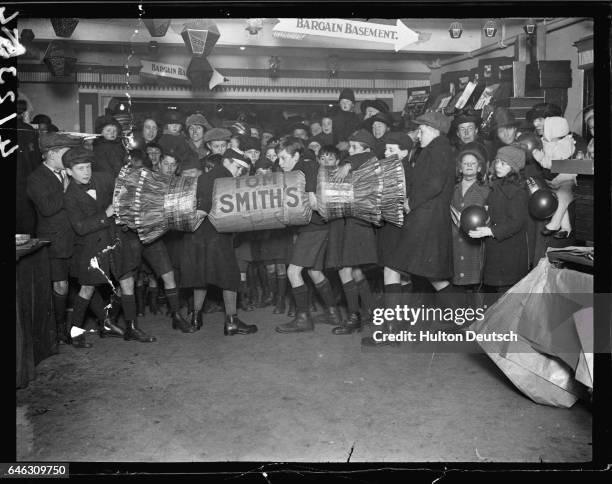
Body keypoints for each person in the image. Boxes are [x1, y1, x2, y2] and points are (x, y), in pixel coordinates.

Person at [362, 111, 456, 347]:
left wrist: (410, 202)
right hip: (426, 220)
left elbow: (433, 184)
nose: (418, 135)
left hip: (426, 221)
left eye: (421, 130)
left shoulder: (438, 149)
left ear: (433, 130)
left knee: (406, 268)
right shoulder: (437, 149)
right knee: (427, 274)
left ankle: (394, 330)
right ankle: (466, 320)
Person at [62, 146, 155, 347]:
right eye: (80, 168)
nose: (86, 172)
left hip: (115, 241)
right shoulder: (70, 196)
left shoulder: (103, 178)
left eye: (87, 167)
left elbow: (124, 188)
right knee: (87, 289)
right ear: (69, 171)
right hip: (92, 248)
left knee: (127, 281)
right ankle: (75, 334)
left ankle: (131, 328)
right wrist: (106, 214)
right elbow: (80, 227)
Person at [187, 150, 258, 335]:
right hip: (217, 235)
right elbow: (203, 208)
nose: (238, 172)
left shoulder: (204, 177)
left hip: (198, 236)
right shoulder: (223, 178)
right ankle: (232, 322)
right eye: (237, 166)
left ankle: (195, 318)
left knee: (201, 277)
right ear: (225, 161)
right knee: (231, 277)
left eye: (242, 169)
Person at [275, 137, 342, 333]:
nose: (280, 163)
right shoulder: (299, 168)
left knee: (293, 272)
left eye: (283, 158)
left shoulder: (306, 164)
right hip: (318, 227)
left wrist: (312, 194)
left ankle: (303, 318)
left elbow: (313, 173)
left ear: (296, 155)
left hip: (313, 229)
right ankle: (333, 312)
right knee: (314, 271)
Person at [27, 133, 83, 344]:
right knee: (61, 286)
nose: (70, 157)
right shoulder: (36, 178)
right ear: (50, 154)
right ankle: (59, 329)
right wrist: (68, 186)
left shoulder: (66, 173)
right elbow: (48, 208)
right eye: (65, 153)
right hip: (55, 239)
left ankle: (95, 323)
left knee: (87, 279)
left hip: (76, 236)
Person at [329, 131, 379, 335]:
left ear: (366, 150)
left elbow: (370, 157)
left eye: (355, 147)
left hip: (357, 225)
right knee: (355, 270)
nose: (350, 151)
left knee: (344, 269)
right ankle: (372, 312)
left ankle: (353, 317)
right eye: (349, 147)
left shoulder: (370, 162)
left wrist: (349, 163)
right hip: (351, 224)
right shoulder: (360, 162)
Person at [468, 145, 529, 300]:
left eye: (504, 163)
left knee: (505, 293)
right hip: (497, 248)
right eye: (497, 162)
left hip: (510, 250)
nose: (498, 166)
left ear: (514, 167)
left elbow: (517, 222)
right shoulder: (498, 186)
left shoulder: (517, 191)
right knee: (496, 291)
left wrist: (490, 231)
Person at [449, 144, 490, 302]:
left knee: (475, 283)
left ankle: (479, 321)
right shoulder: (453, 189)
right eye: (465, 163)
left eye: (473, 164)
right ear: (460, 168)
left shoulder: (486, 190)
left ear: (479, 168)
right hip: (455, 242)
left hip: (474, 243)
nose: (469, 166)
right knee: (457, 284)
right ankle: (461, 320)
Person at [532, 117, 578, 239]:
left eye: (546, 127)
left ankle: (554, 224)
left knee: (562, 199)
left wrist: (541, 158)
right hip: (554, 180)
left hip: (565, 178)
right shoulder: (549, 141)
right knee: (560, 202)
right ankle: (565, 228)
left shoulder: (563, 145)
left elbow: (554, 164)